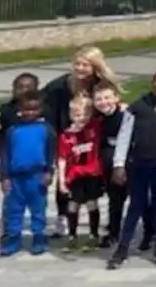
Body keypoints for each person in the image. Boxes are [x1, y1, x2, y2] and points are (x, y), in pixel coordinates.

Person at [108, 69, 156, 269]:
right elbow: (124, 136)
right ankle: (123, 247)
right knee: (136, 205)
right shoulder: (137, 107)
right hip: (138, 162)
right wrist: (119, 164)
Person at [41, 46, 120, 238]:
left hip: (95, 136)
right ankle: (63, 219)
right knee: (67, 177)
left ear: (95, 66)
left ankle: (108, 221)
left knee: (99, 178)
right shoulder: (61, 85)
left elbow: (114, 102)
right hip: (70, 135)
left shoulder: (102, 83)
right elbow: (36, 99)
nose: (80, 68)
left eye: (85, 64)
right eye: (77, 63)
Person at [0, 91, 57, 256]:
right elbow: (5, 155)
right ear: (19, 109)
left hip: (37, 176)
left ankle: (39, 238)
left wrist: (49, 172)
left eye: (34, 109)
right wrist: (4, 177)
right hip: (16, 178)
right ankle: (13, 240)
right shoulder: (12, 131)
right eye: (26, 109)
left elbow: (51, 152)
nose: (30, 112)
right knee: (14, 211)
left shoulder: (46, 130)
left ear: (40, 109)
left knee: (38, 211)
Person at [55, 95, 104, 252]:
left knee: (92, 203)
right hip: (74, 175)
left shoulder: (94, 128)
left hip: (91, 174)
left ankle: (93, 234)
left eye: (85, 114)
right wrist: (62, 180)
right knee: (73, 205)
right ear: (70, 115)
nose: (81, 118)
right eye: (76, 115)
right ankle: (72, 235)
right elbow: (62, 159)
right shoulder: (66, 136)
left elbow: (108, 114)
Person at [93, 84, 128, 249]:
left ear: (116, 98)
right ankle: (114, 232)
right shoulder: (98, 120)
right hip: (108, 164)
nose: (103, 102)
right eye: (99, 99)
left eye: (107, 98)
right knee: (114, 200)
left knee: (139, 199)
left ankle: (150, 232)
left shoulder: (125, 116)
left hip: (128, 163)